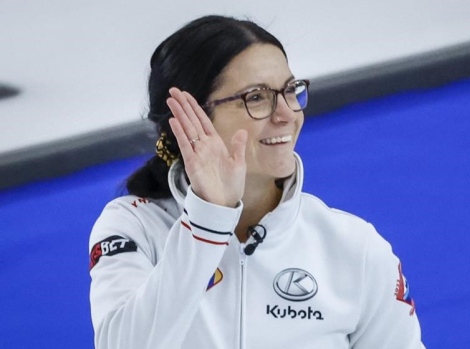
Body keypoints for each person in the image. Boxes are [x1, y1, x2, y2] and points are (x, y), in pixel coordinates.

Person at [88, 15, 425, 349]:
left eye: (291, 91)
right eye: (257, 98)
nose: (287, 115)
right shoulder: (134, 226)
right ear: (189, 119)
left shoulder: (355, 248)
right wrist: (206, 223)